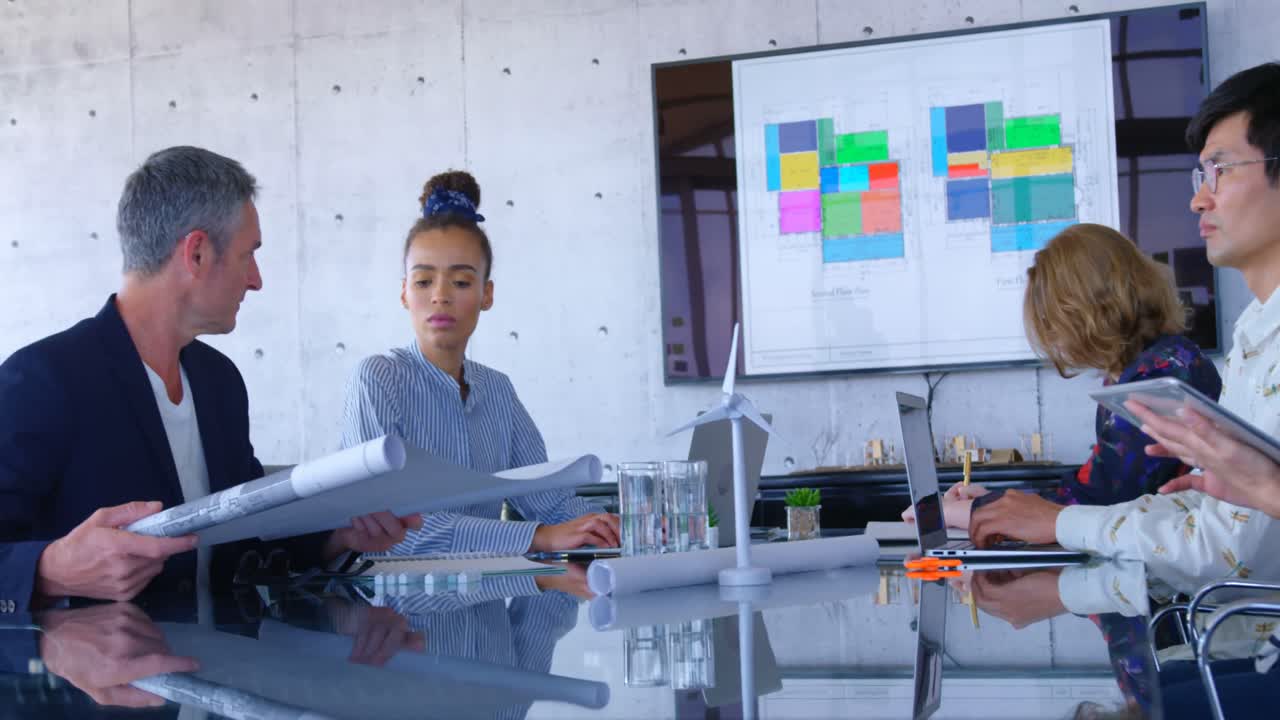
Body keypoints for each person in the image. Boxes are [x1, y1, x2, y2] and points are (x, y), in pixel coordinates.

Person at [0, 146, 419, 614]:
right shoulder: (42, 380)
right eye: (249, 255)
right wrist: (48, 569)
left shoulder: (219, 382)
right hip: (79, 684)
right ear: (197, 252)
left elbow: (246, 544)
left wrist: (339, 537)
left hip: (215, 676)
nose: (256, 280)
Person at [969, 62, 1280, 591]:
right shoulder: (1255, 331)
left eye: (1221, 171)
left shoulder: (1167, 369)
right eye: (1200, 176)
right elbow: (1222, 516)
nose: (1199, 199)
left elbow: (1229, 548)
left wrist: (1052, 523)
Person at [341, 170, 619, 556]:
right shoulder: (378, 379)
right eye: (423, 282)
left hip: (488, 604)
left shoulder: (498, 391)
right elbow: (393, 529)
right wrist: (536, 538)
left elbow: (548, 500)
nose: (440, 296)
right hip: (391, 609)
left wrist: (607, 526)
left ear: (486, 294)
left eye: (461, 282)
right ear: (404, 292)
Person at [906, 223, 1220, 529]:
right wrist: (994, 502)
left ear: (1086, 312)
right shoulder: (1153, 365)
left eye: (1054, 321)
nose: (1055, 338)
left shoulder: (1156, 378)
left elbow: (1102, 500)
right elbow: (1095, 492)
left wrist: (976, 511)